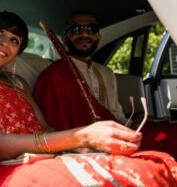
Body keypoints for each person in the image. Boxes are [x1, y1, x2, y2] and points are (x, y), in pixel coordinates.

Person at [0, 11, 177, 186]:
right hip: (4, 163)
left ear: (17, 53)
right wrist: (82, 136)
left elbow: (45, 128)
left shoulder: (18, 83)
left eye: (14, 40)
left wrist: (80, 147)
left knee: (148, 167)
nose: (4, 43)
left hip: (43, 153)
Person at [34, 11, 177, 159]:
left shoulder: (106, 73)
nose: (84, 34)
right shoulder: (53, 75)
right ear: (64, 38)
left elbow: (117, 115)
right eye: (76, 29)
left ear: (98, 37)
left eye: (91, 29)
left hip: (119, 134)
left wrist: (135, 124)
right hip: (86, 146)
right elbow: (54, 129)